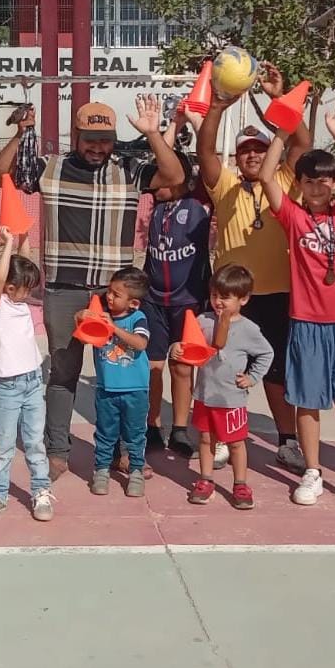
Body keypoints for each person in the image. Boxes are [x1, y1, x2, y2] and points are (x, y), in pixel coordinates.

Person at [0, 95, 185, 481]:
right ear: (76, 135)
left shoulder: (130, 169)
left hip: (114, 294)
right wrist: (20, 134)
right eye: (91, 139)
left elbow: (175, 176)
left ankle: (124, 452)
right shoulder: (51, 168)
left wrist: (152, 134)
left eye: (106, 139)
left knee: (118, 374)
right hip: (64, 289)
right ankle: (58, 452)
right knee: (63, 372)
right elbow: (1, 176)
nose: (98, 147)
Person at [259, 101, 335, 512]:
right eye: (311, 181)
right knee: (308, 401)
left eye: (326, 181)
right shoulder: (293, 217)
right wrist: (282, 131)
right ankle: (313, 471)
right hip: (307, 322)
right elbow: (264, 175)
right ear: (301, 183)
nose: (319, 188)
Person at [195, 63, 312, 474]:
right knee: (223, 369)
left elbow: (301, 142)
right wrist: (217, 108)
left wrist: (277, 99)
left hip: (278, 292)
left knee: (276, 372)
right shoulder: (225, 186)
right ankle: (225, 440)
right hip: (231, 300)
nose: (252, 155)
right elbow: (205, 151)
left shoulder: (283, 178)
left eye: (258, 149)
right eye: (245, 151)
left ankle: (287, 440)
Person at [171, 263, 273, 510]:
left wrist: (251, 377)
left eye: (225, 297)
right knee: (206, 440)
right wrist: (175, 348)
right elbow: (187, 346)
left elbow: (266, 353)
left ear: (244, 299)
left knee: (236, 443)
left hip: (231, 399)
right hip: (206, 395)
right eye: (215, 295)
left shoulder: (248, 329)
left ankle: (240, 484)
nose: (218, 302)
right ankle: (206, 480)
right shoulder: (203, 321)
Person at [0, 227, 54, 523]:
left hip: (32, 381)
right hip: (6, 386)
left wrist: (22, 236)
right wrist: (6, 244)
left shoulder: (18, 301)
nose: (30, 293)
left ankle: (41, 490)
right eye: (26, 288)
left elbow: (24, 260)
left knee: (34, 441)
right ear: (10, 287)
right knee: (4, 444)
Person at [142, 127, 211, 457]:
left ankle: (181, 429)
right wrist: (159, 129)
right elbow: (161, 158)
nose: (157, 185)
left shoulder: (199, 207)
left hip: (187, 301)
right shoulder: (154, 209)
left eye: (166, 179)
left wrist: (191, 123)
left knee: (182, 365)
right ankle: (152, 425)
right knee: (153, 365)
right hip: (154, 299)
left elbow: (195, 168)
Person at [83, 267, 152, 497]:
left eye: (116, 294)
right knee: (104, 432)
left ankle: (135, 471)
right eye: (109, 291)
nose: (109, 297)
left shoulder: (138, 318)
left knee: (135, 434)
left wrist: (113, 328)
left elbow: (140, 344)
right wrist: (83, 317)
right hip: (106, 389)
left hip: (135, 391)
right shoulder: (100, 313)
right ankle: (101, 470)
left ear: (133, 303)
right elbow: (82, 326)